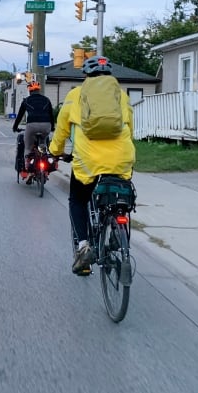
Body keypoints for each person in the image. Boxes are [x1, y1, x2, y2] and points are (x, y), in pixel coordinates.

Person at [48, 56, 135, 276]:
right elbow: (130, 129)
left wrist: (55, 151)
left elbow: (61, 131)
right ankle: (118, 227)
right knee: (119, 197)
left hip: (87, 161)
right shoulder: (121, 97)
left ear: (85, 75)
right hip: (120, 159)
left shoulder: (74, 96)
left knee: (77, 200)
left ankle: (84, 246)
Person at [12, 81, 55, 177]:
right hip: (46, 125)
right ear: (39, 90)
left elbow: (19, 116)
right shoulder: (46, 100)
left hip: (32, 125)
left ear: (29, 91)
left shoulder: (26, 100)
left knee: (27, 146)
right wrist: (52, 127)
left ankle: (28, 168)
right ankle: (44, 164)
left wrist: (15, 127)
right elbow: (51, 115)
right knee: (43, 143)